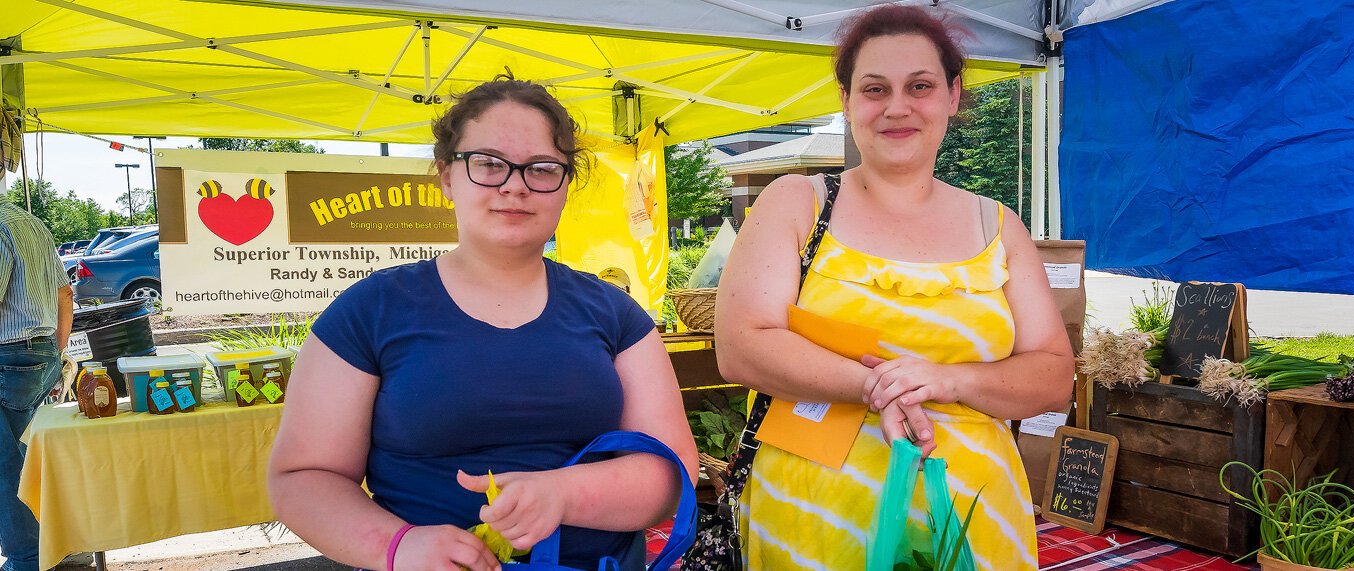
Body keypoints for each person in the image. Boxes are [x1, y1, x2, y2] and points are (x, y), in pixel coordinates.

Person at [267, 78, 697, 571]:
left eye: (541, 168)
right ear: (448, 177)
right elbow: (303, 476)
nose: (515, 184)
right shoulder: (370, 311)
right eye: (489, 164)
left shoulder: (617, 316)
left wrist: (564, 494)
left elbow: (672, 472)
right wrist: (399, 546)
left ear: (564, 185)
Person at [714, 5, 1076, 569]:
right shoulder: (798, 202)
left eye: (921, 86)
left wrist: (945, 379)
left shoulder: (999, 226)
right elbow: (741, 345)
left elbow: (1053, 375)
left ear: (952, 97)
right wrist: (876, 387)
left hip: (974, 521)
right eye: (875, 88)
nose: (897, 107)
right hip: (813, 525)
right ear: (847, 100)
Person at [0, 200, 71, 571]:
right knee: (31, 456)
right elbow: (65, 294)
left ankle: (28, 559)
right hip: (40, 352)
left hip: (9, 354)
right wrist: (55, 354)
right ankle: (57, 543)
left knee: (7, 465)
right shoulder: (32, 223)